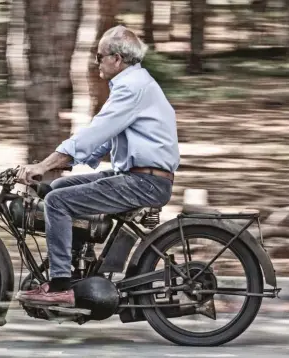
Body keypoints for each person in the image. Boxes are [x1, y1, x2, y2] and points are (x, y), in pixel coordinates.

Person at [15, 25, 180, 306]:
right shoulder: (134, 84)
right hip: (138, 176)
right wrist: (60, 166)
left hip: (144, 182)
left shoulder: (132, 87)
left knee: (56, 202)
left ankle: (60, 285)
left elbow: (94, 134)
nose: (96, 62)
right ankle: (80, 263)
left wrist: (46, 163)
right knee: (59, 187)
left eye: (100, 56)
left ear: (117, 59)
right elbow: (104, 141)